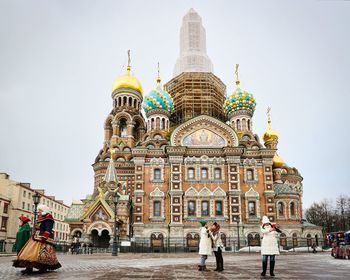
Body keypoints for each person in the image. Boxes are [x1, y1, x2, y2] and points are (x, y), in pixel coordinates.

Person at [13, 204, 61, 273]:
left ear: (44, 210)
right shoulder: (39, 218)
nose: (38, 212)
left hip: (44, 239)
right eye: (38, 211)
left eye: (40, 211)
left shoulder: (48, 218)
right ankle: (29, 268)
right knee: (28, 252)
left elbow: (48, 229)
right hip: (35, 237)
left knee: (43, 255)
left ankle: (43, 268)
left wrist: (44, 237)